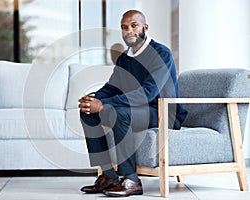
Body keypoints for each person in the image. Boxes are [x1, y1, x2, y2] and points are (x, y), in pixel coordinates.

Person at [78, 10, 187, 197]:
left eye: (134, 25)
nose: (129, 31)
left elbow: (147, 93)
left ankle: (132, 180)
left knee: (119, 113)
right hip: (138, 110)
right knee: (88, 112)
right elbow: (112, 87)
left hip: (162, 112)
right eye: (124, 27)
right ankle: (109, 175)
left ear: (145, 27)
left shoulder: (161, 53)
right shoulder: (124, 58)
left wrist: (104, 105)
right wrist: (93, 99)